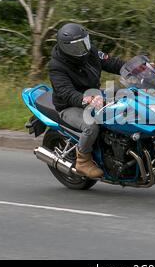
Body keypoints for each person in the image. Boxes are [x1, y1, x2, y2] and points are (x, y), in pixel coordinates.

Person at [48, 23, 126, 178]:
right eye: (77, 47)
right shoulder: (56, 66)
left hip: (94, 95)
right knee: (91, 125)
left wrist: (136, 69)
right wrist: (88, 100)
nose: (83, 49)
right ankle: (83, 160)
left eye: (85, 42)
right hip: (70, 105)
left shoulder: (91, 52)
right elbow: (67, 93)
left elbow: (113, 63)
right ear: (66, 48)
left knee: (123, 92)